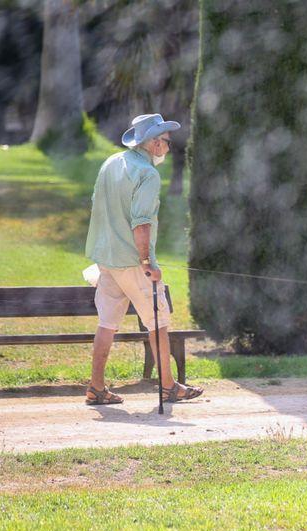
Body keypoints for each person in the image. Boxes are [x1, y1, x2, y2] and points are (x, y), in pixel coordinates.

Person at [83, 113, 203, 405]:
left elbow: (96, 205)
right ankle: (168, 386)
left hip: (106, 258)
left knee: (107, 323)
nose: (168, 146)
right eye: (165, 141)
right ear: (152, 143)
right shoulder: (147, 174)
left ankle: (96, 387)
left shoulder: (111, 162)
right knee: (158, 322)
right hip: (133, 262)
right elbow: (142, 223)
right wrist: (148, 263)